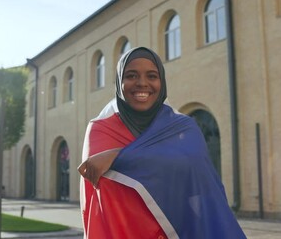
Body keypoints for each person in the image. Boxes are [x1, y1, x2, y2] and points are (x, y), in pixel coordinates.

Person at [78, 47, 246, 239]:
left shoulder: (183, 127)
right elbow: (101, 182)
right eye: (131, 76)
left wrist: (118, 156)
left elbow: (198, 176)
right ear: (119, 82)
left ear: (162, 82)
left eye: (152, 76)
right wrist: (154, 160)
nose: (142, 83)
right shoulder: (100, 128)